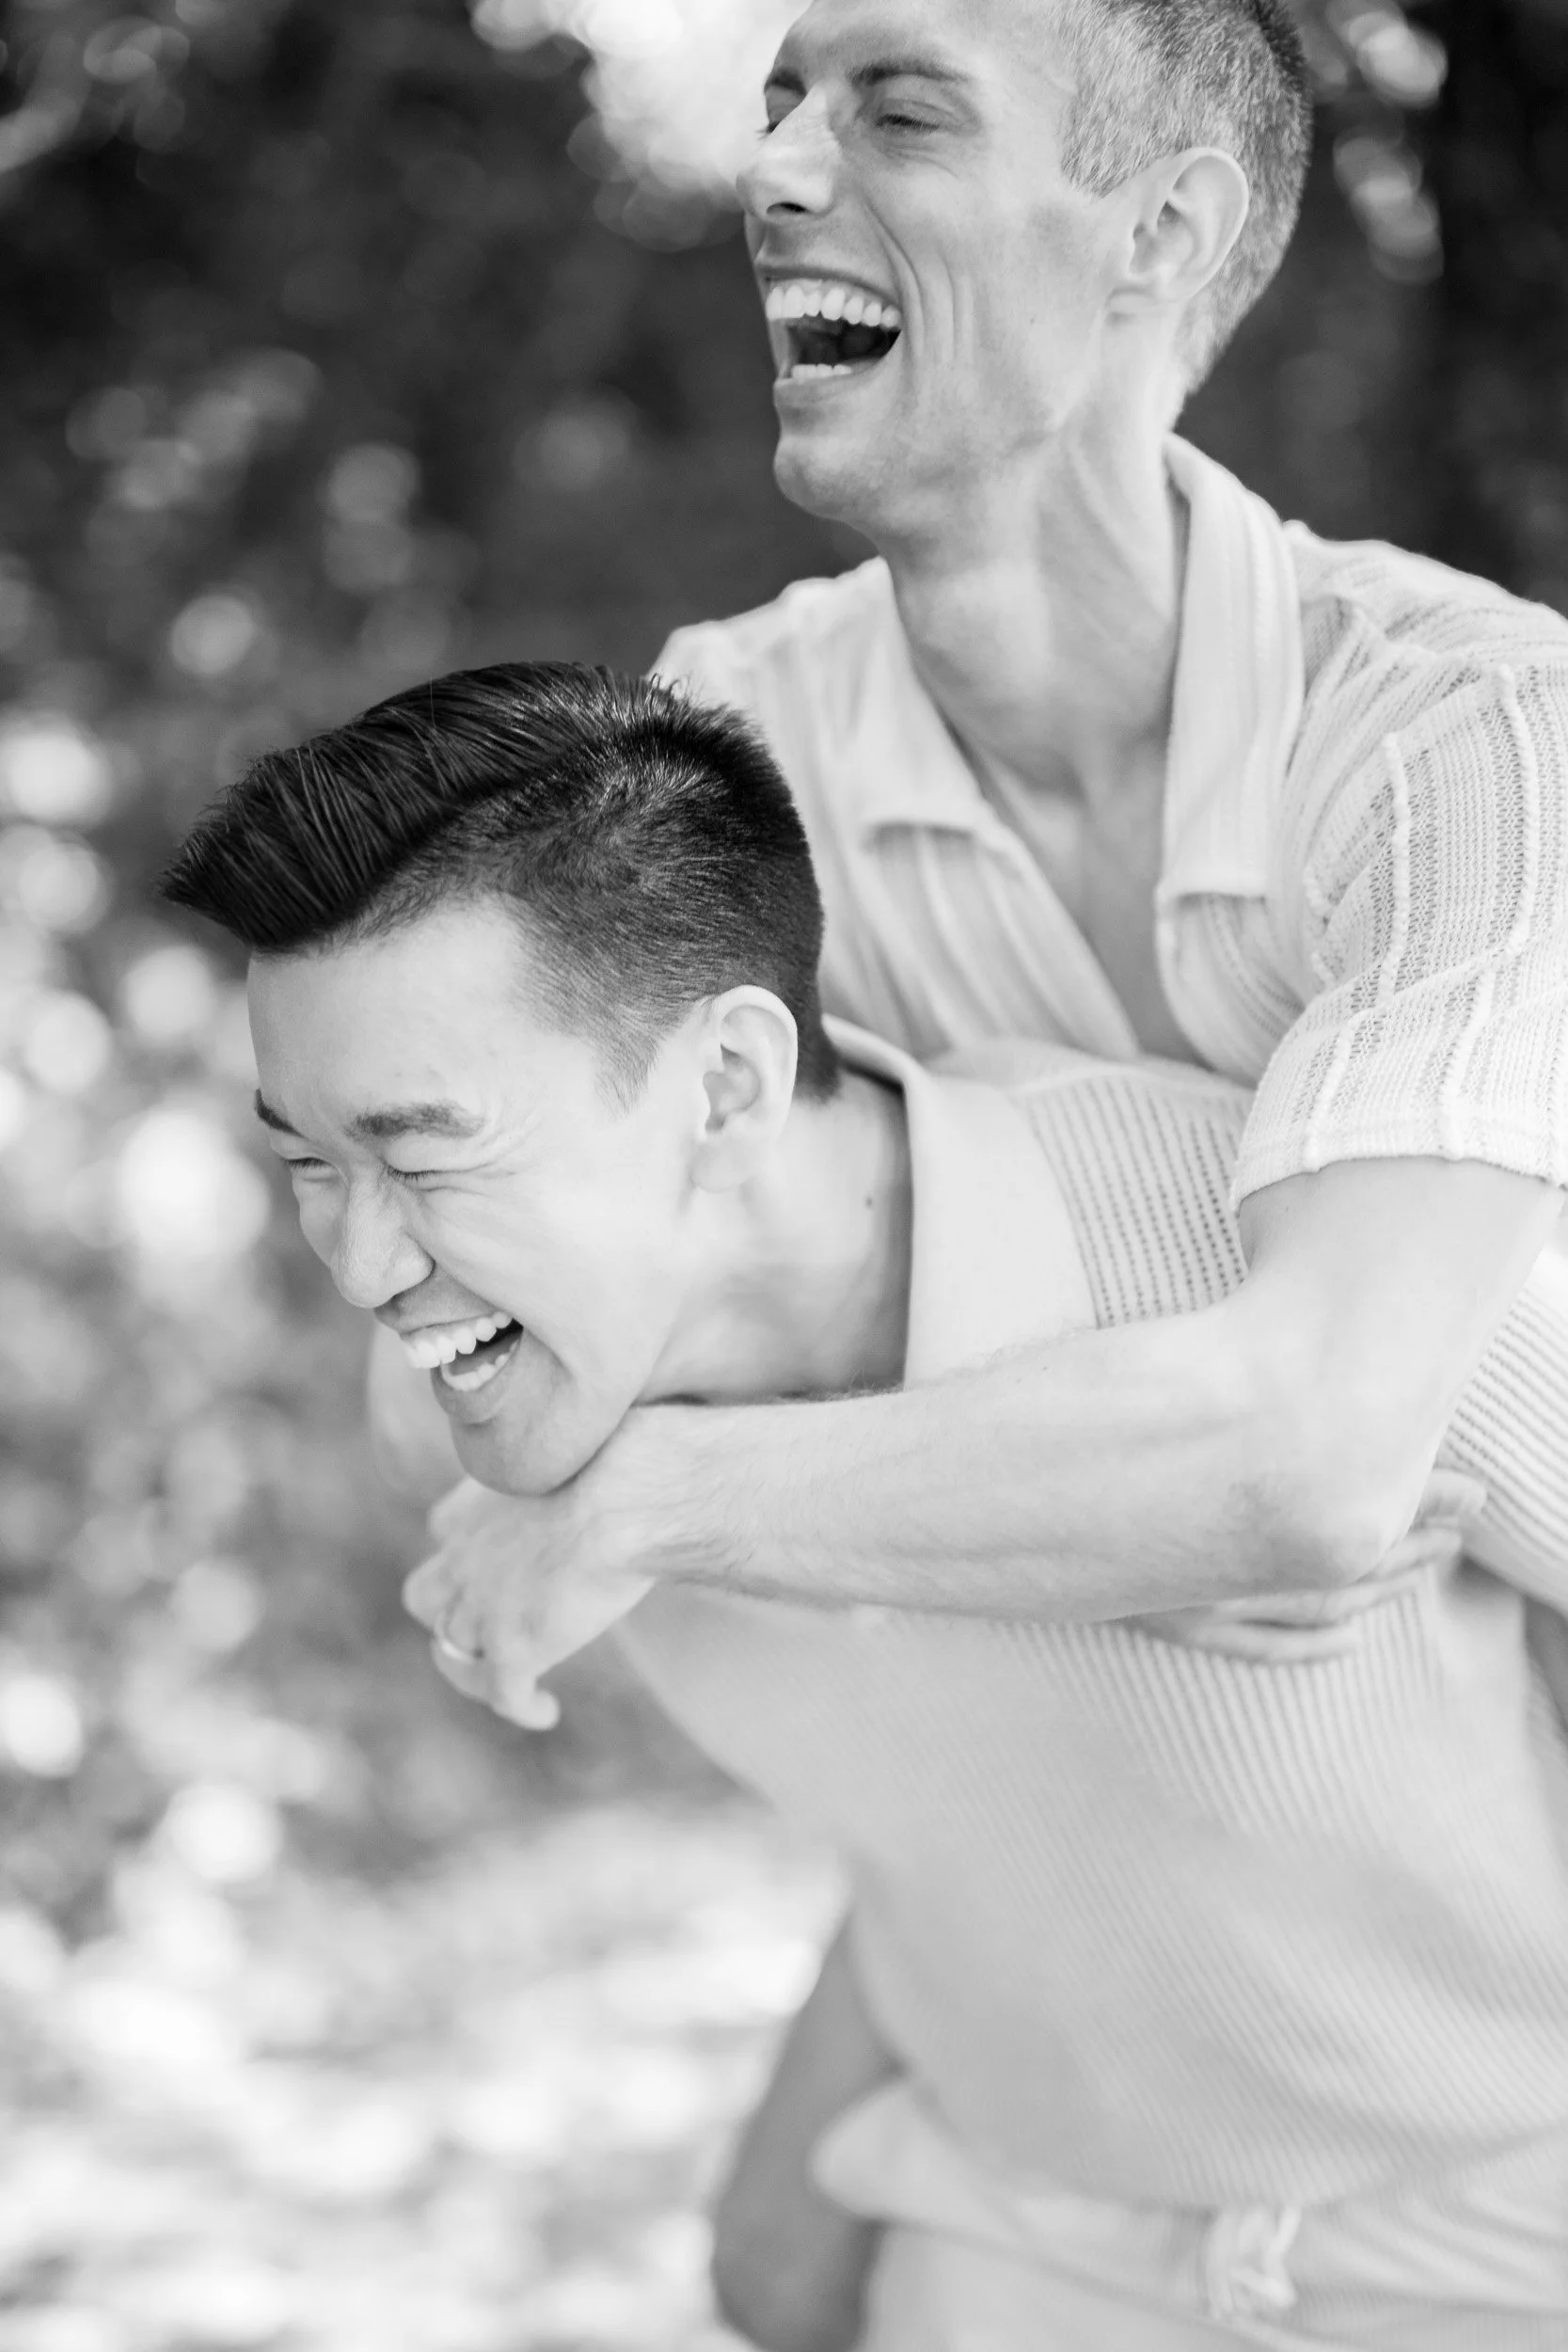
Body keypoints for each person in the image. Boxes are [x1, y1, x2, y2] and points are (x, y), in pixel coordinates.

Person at [163, 662, 1568, 2349]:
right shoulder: (527, 1404)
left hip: (1498, 2230)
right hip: (1014, 2226)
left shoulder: (1245, 1271)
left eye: (424, 1153)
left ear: (729, 1091)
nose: (360, 1261)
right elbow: (945, 1807)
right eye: (307, 1161)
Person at [398, 0, 1568, 1657]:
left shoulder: (1475, 730)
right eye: (783, 101)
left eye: (902, 116)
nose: (776, 170)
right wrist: (1110, 1510)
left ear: (1160, 230)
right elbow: (474, 1307)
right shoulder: (725, 742)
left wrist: (656, 1501)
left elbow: (1308, 1452)